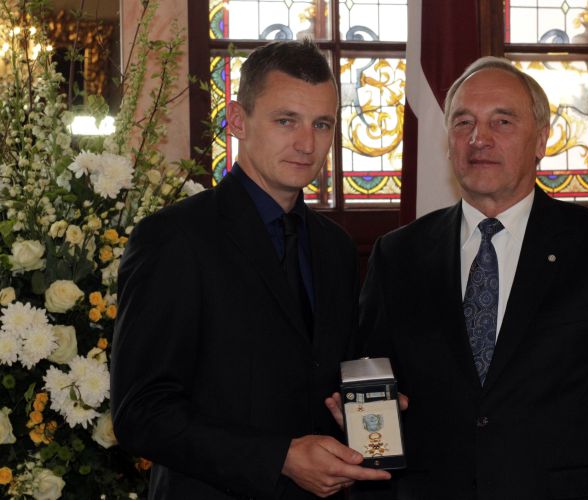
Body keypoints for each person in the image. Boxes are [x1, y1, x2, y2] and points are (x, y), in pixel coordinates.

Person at [356, 57, 588, 499]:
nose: (479, 138)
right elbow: (371, 400)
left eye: (502, 122)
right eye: (463, 122)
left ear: (541, 139)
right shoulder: (398, 255)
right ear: (448, 142)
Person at [111, 40, 390, 500]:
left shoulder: (335, 246)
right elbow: (141, 412)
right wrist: (279, 457)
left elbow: (323, 374)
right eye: (286, 121)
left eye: (322, 124)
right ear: (238, 121)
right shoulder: (175, 238)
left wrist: (363, 406)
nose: (307, 144)